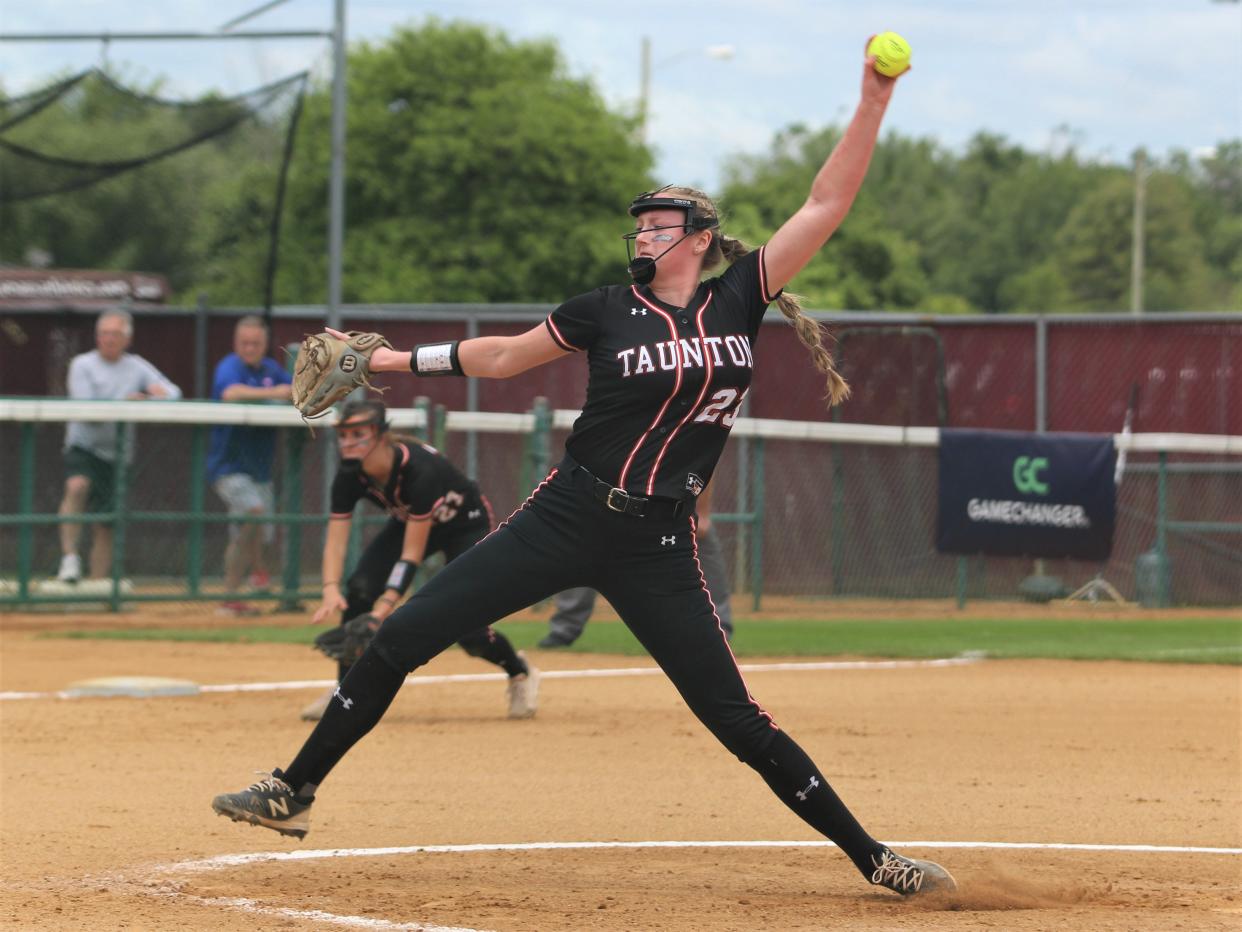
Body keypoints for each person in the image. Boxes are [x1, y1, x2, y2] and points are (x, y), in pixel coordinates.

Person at [213, 44, 954, 897]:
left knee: (735, 719)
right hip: (566, 516)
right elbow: (500, 357)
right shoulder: (604, 309)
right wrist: (390, 359)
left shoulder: (740, 296)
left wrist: (872, 99)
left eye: (659, 224)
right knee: (399, 638)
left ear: (700, 240)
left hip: (658, 545)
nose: (642, 233)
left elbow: (827, 201)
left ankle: (877, 861)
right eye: (637, 224)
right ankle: (291, 789)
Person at [297, 398, 540, 722]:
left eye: (359, 434)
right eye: (343, 435)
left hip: (463, 523)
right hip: (410, 520)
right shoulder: (349, 474)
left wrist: (382, 610)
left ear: (382, 436)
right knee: (359, 589)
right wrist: (329, 587)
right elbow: (337, 539)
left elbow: (411, 555)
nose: (348, 442)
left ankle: (519, 672)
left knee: (466, 623)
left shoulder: (419, 470)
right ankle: (346, 692)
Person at [56, 309, 182, 583]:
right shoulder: (82, 364)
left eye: (115, 334)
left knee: (107, 523)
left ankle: (98, 585)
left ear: (127, 338)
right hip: (83, 446)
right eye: (104, 333)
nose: (108, 339)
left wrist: (148, 398)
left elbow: (173, 393)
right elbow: (87, 408)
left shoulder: (136, 366)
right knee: (77, 486)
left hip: (117, 454)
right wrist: (126, 400)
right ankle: (69, 559)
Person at [539, 480, 733, 647]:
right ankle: (563, 631)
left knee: (703, 548)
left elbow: (707, 459)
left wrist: (703, 512)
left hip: (673, 499)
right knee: (586, 548)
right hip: (617, 496)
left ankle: (719, 631)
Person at [208, 316, 293, 616]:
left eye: (255, 343)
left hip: (260, 470)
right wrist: (275, 394)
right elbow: (230, 393)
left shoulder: (271, 369)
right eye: (244, 343)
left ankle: (241, 592)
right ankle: (236, 590)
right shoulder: (229, 366)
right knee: (252, 514)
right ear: (236, 343)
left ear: (265, 344)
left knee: (256, 530)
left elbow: (296, 392)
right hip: (228, 467)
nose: (249, 348)